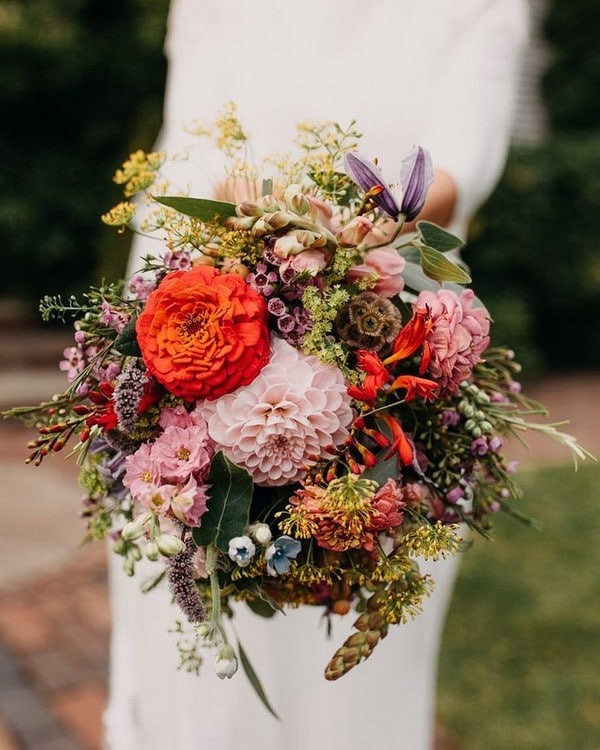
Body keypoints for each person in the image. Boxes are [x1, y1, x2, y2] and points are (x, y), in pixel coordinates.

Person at [104, 1, 529, 748]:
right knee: (200, 630)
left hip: (394, 332)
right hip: (204, 317)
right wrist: (162, 348)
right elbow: (188, 155)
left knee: (359, 634)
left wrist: (334, 251)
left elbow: (465, 164)